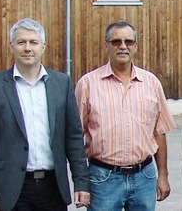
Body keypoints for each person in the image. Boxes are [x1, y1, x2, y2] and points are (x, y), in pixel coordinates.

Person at [0, 18, 90, 211]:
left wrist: (81, 182)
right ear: (11, 46)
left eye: (33, 42)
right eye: (21, 42)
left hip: (53, 187)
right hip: (11, 189)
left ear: (43, 46)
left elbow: (74, 137)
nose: (27, 48)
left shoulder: (61, 83)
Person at [75, 20, 176, 211]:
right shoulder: (88, 84)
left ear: (135, 46)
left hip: (144, 177)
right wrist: (81, 183)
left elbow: (159, 132)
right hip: (103, 178)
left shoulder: (151, 82)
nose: (123, 46)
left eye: (128, 42)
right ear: (106, 45)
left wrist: (162, 175)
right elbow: (75, 136)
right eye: (116, 42)